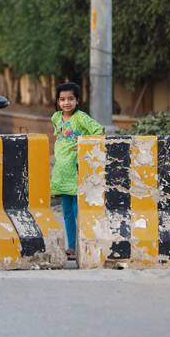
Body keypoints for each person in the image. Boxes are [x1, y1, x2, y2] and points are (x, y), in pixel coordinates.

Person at [50, 82, 103, 260]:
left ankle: (82, 246)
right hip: (61, 172)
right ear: (58, 101)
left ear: (77, 101)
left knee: (78, 210)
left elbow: (98, 130)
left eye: (70, 99)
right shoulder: (56, 117)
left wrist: (82, 146)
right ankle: (71, 247)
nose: (66, 103)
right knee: (67, 213)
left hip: (76, 169)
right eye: (62, 99)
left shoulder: (81, 118)